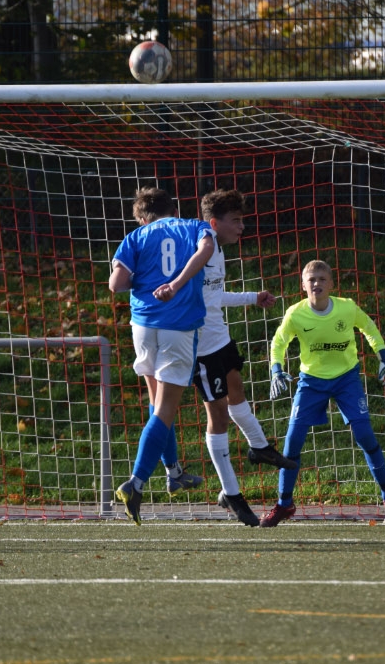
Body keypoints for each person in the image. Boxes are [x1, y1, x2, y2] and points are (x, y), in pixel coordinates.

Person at [260, 259, 385, 528]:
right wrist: (276, 369)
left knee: (365, 435)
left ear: (331, 284)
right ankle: (284, 504)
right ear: (303, 285)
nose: (316, 283)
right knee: (292, 442)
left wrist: (384, 359)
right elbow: (279, 342)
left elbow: (369, 328)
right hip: (311, 382)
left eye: (321, 279)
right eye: (311, 279)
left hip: (346, 379)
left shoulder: (347, 308)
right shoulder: (295, 314)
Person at [109, 187, 216, 524]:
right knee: (166, 408)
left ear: (143, 218)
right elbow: (206, 250)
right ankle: (136, 482)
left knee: (157, 404)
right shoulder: (194, 226)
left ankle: (174, 472)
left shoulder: (135, 237)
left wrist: (145, 279)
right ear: (175, 209)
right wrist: (176, 283)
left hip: (142, 325)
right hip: (177, 325)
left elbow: (116, 284)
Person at [191, 189, 297, 527]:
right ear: (214, 223)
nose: (242, 227)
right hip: (200, 346)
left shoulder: (216, 249)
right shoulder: (199, 246)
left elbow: (213, 296)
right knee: (218, 417)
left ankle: (259, 446)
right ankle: (231, 493)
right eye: (235, 220)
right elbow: (186, 291)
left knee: (237, 389)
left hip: (220, 337)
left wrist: (253, 297)